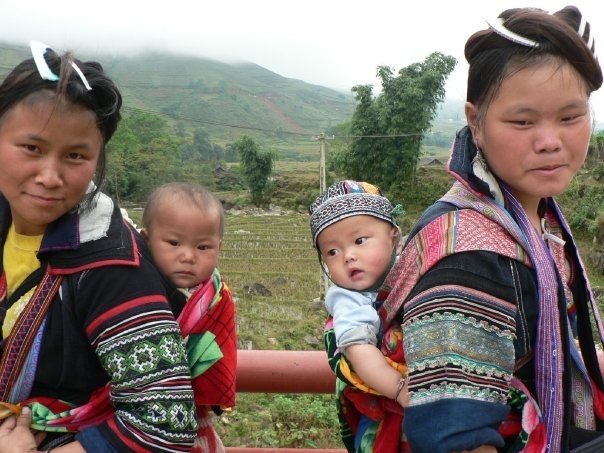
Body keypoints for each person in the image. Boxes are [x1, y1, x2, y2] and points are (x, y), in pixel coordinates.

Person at [378, 5, 604, 452]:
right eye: (522, 121)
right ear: (475, 121)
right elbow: (456, 440)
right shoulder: (471, 258)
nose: (550, 141)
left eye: (570, 117)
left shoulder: (534, 219)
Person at [0, 41, 197, 451]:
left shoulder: (113, 268)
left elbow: (165, 425)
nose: (49, 176)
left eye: (75, 156)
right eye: (32, 149)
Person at [309, 180, 408, 452]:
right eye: (332, 252)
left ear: (394, 237)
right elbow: (358, 349)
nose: (348, 256)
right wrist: (399, 388)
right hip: (389, 407)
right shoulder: (348, 299)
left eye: (360, 241)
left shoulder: (414, 268)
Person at [141, 182, 237, 453]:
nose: (188, 256)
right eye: (174, 243)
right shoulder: (132, 290)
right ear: (146, 240)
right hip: (133, 410)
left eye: (203, 247)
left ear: (219, 247)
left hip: (193, 414)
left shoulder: (216, 297)